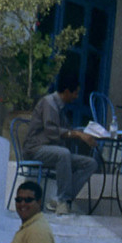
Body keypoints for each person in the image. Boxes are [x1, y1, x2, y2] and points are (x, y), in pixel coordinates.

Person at [24, 72, 101, 212]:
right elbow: (51, 131)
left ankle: (61, 199)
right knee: (63, 153)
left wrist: (85, 133)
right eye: (75, 93)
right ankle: (63, 200)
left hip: (54, 152)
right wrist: (77, 134)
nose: (76, 97)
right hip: (36, 149)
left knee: (90, 163)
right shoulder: (49, 103)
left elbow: (66, 130)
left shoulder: (61, 108)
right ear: (66, 91)